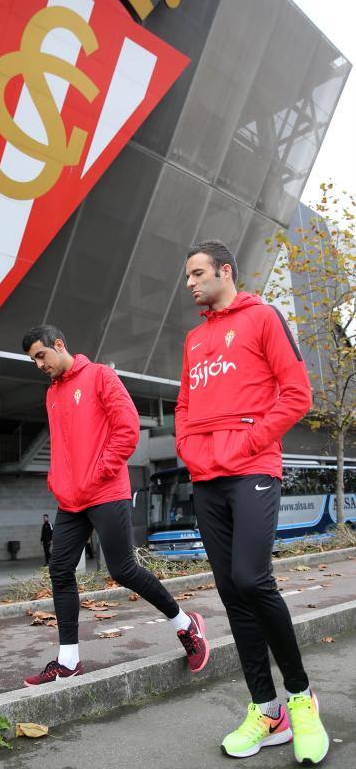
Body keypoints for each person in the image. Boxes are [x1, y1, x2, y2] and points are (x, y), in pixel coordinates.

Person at [175, 240, 328, 765]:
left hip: (253, 468)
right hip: (206, 477)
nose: (190, 283)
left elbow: (296, 394)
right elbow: (185, 405)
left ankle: (302, 699)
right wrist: (190, 451)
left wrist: (246, 443)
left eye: (198, 273)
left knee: (251, 579)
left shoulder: (263, 318)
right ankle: (267, 711)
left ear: (225, 271)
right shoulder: (194, 339)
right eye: (187, 276)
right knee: (231, 595)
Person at [22, 324, 209, 687]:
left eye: (41, 355)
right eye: (33, 360)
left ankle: (187, 626)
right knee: (60, 571)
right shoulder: (52, 395)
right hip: (70, 498)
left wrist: (100, 471)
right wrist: (57, 480)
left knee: (123, 569)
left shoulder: (100, 376)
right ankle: (69, 661)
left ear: (59, 344)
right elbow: (62, 446)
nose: (39, 364)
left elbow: (127, 428)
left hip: (106, 490)